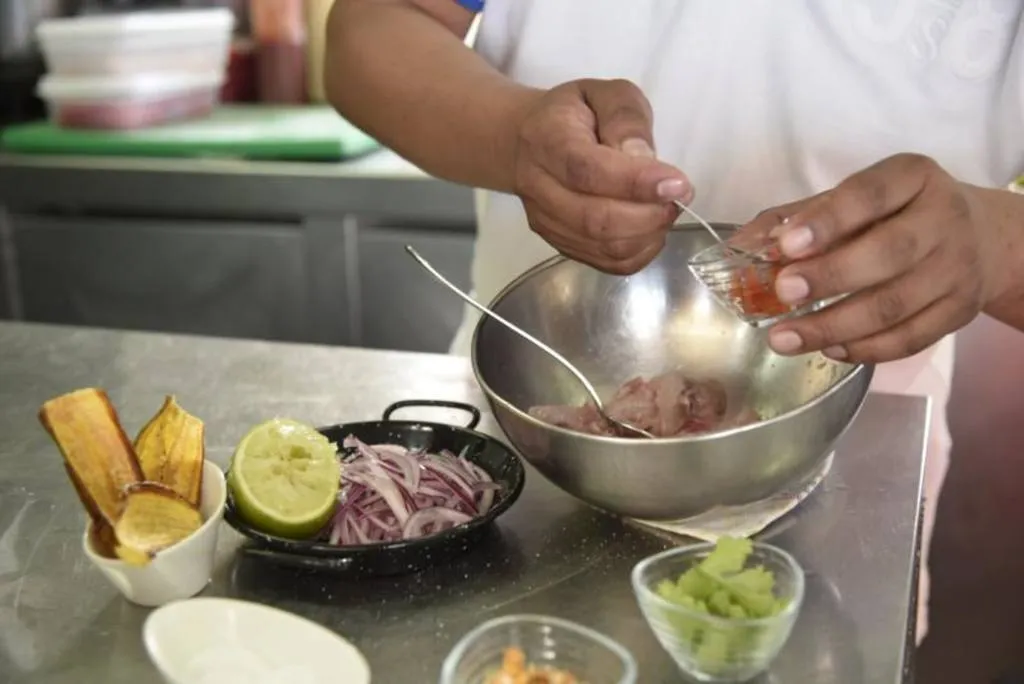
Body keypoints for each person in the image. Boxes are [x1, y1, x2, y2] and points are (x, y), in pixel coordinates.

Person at [325, 0, 1024, 642]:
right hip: (531, 442)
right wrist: (515, 138)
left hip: (857, 469)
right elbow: (372, 32)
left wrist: (999, 247)